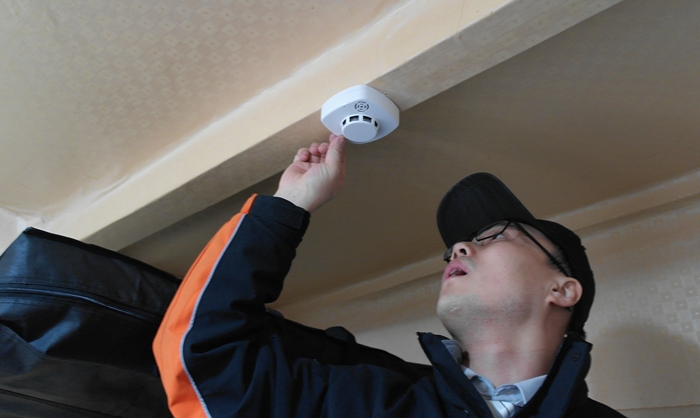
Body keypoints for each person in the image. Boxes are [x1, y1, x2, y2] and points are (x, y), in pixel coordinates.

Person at [153, 134, 624, 417]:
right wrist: (287, 208)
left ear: (562, 290)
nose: (459, 248)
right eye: (461, 245)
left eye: (498, 236)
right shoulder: (364, 401)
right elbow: (205, 359)